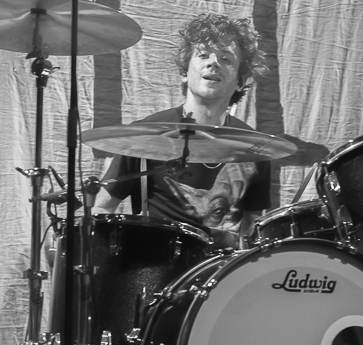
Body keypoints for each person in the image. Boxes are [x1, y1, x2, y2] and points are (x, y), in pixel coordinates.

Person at [92, 13, 272, 248]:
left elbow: (253, 226)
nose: (213, 63)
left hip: (224, 267)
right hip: (156, 263)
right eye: (203, 55)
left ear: (240, 80)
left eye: (226, 59)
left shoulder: (254, 148)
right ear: (185, 72)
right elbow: (102, 208)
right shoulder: (145, 135)